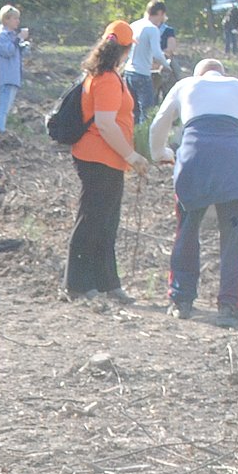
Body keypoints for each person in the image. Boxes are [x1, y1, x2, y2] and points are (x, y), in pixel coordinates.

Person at [150, 58, 238, 327]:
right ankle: (229, 306)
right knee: (234, 238)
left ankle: (181, 300)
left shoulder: (185, 85)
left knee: (186, 231)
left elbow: (159, 124)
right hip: (233, 166)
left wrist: (160, 153)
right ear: (222, 74)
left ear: (199, 75)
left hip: (194, 162)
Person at [67, 20, 152, 304]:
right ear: (125, 50)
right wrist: (131, 155)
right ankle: (77, 285)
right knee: (92, 221)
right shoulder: (106, 80)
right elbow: (105, 123)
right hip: (98, 158)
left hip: (108, 159)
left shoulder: (106, 76)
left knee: (106, 223)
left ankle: (108, 284)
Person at [121, 0, 168, 122]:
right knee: (147, 112)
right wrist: (166, 65)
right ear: (160, 13)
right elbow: (157, 53)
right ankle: (145, 134)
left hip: (128, 72)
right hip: (142, 73)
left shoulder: (134, 25)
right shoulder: (152, 29)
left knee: (132, 111)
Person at [0, 4, 30, 132]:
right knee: (2, 109)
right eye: (15, 18)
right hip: (5, 78)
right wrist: (19, 38)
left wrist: (23, 44)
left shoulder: (11, 36)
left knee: (5, 110)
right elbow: (8, 51)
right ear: (6, 19)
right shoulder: (0, 36)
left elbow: (18, 51)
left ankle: (0, 132)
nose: (18, 21)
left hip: (12, 78)